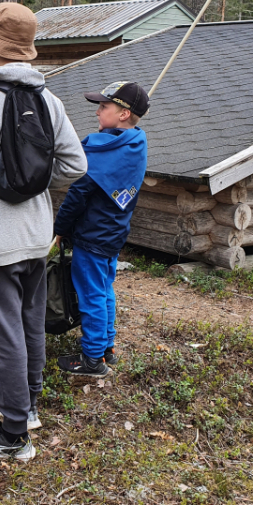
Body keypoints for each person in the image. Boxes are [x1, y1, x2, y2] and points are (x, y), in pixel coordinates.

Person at [0, 2, 87, 461]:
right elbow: (75, 164)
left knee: (2, 329)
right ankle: (27, 400)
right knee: (29, 317)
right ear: (25, 53)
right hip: (36, 232)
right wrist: (35, 185)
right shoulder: (49, 101)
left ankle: (13, 435)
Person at [53, 81, 149, 378]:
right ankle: (106, 347)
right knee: (104, 289)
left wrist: (60, 229)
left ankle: (92, 359)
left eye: (104, 107)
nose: (97, 112)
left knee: (92, 293)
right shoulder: (134, 142)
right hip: (113, 233)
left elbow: (77, 195)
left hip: (94, 235)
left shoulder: (104, 150)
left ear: (123, 114)